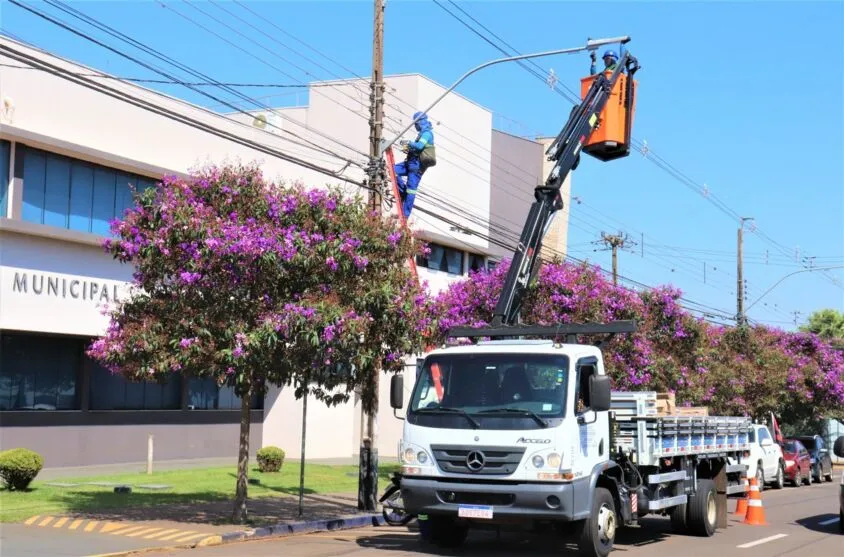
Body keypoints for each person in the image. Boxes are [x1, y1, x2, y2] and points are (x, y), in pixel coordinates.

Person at [394, 111, 436, 218]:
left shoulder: (427, 134)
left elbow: (419, 146)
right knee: (392, 170)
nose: (415, 126)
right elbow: (416, 148)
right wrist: (409, 148)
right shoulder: (421, 134)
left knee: (411, 190)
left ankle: (405, 215)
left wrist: (409, 143)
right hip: (409, 164)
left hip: (417, 166)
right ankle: (402, 192)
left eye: (416, 123)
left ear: (420, 122)